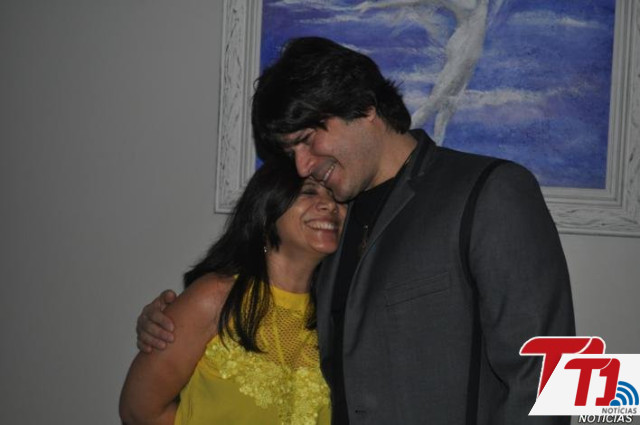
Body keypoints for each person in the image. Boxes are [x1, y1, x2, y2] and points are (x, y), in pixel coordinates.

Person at [135, 37, 575, 424]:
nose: (302, 166)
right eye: (291, 152)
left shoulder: (490, 191)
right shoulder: (333, 224)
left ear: (364, 108)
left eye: (308, 139)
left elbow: (556, 371)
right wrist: (169, 323)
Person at [120, 158, 346, 425]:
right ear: (266, 210)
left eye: (336, 197)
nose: (330, 205)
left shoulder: (342, 311)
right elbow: (139, 409)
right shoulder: (216, 297)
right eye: (309, 192)